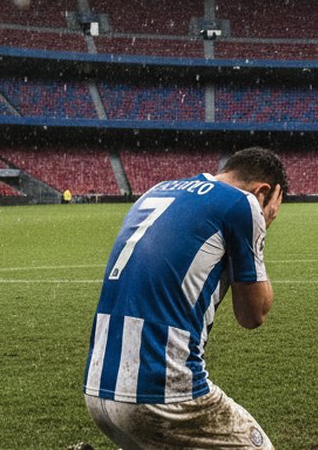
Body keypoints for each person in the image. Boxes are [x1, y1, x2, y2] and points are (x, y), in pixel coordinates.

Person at [82, 147, 287, 449]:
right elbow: (252, 315)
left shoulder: (156, 191)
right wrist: (260, 230)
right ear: (263, 192)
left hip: (97, 387)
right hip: (160, 392)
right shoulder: (243, 203)